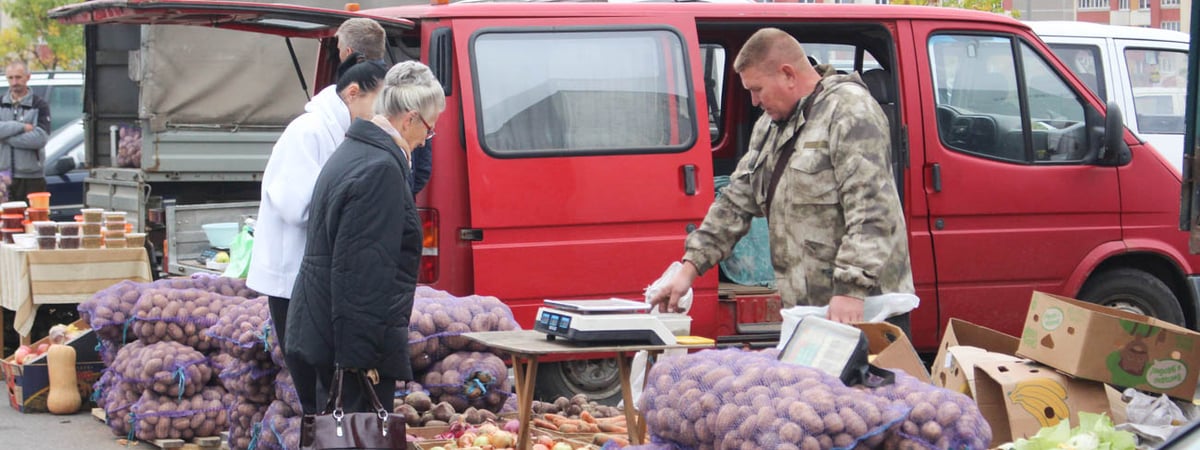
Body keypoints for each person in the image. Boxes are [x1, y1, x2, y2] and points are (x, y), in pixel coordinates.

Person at [648, 28, 913, 327]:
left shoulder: (850, 111)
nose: (753, 101)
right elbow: (735, 202)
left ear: (788, 74)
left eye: (757, 89)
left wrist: (851, 290)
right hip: (809, 310)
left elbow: (873, 210)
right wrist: (687, 271)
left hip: (863, 308)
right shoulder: (770, 127)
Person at [286, 60, 445, 413]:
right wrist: (363, 360)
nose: (424, 142)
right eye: (429, 131)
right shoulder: (381, 170)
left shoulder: (354, 149)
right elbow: (364, 273)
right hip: (348, 347)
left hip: (325, 329)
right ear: (410, 119)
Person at [247, 52, 389, 412]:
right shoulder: (307, 132)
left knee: (328, 386)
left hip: (315, 277)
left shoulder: (338, 130)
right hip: (293, 278)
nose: (381, 113)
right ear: (353, 92)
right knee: (313, 381)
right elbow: (298, 207)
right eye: (379, 101)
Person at [0, 60, 50, 202]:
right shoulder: (0, 102)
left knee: (34, 220)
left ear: (28, 77)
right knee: (6, 221)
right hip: (3, 176)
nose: (14, 82)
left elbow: (40, 139)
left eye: (18, 77)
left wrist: (5, 137)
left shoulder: (39, 105)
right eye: (10, 78)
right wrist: (20, 127)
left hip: (32, 177)